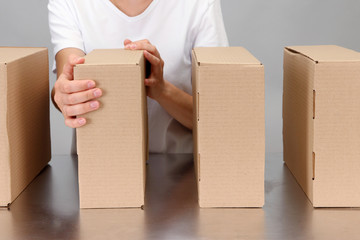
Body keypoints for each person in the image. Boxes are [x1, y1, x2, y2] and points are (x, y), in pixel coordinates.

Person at [48, 0, 228, 153]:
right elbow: (66, 81)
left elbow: (218, 118)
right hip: (99, 170)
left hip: (180, 171)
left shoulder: (199, 4)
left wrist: (161, 89)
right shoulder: (69, 3)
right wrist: (66, 95)